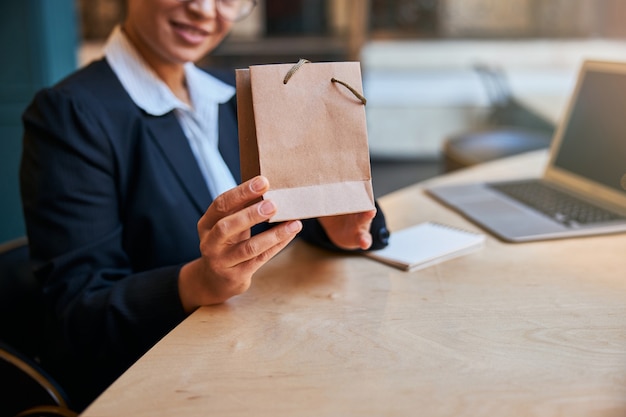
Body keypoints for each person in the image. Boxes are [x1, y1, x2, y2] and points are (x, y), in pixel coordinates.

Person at [20, 0, 388, 410]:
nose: (203, 9)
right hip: (165, 381)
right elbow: (78, 315)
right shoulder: (71, 113)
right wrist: (199, 282)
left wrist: (329, 224)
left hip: (267, 343)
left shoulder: (235, 94)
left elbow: (283, 211)